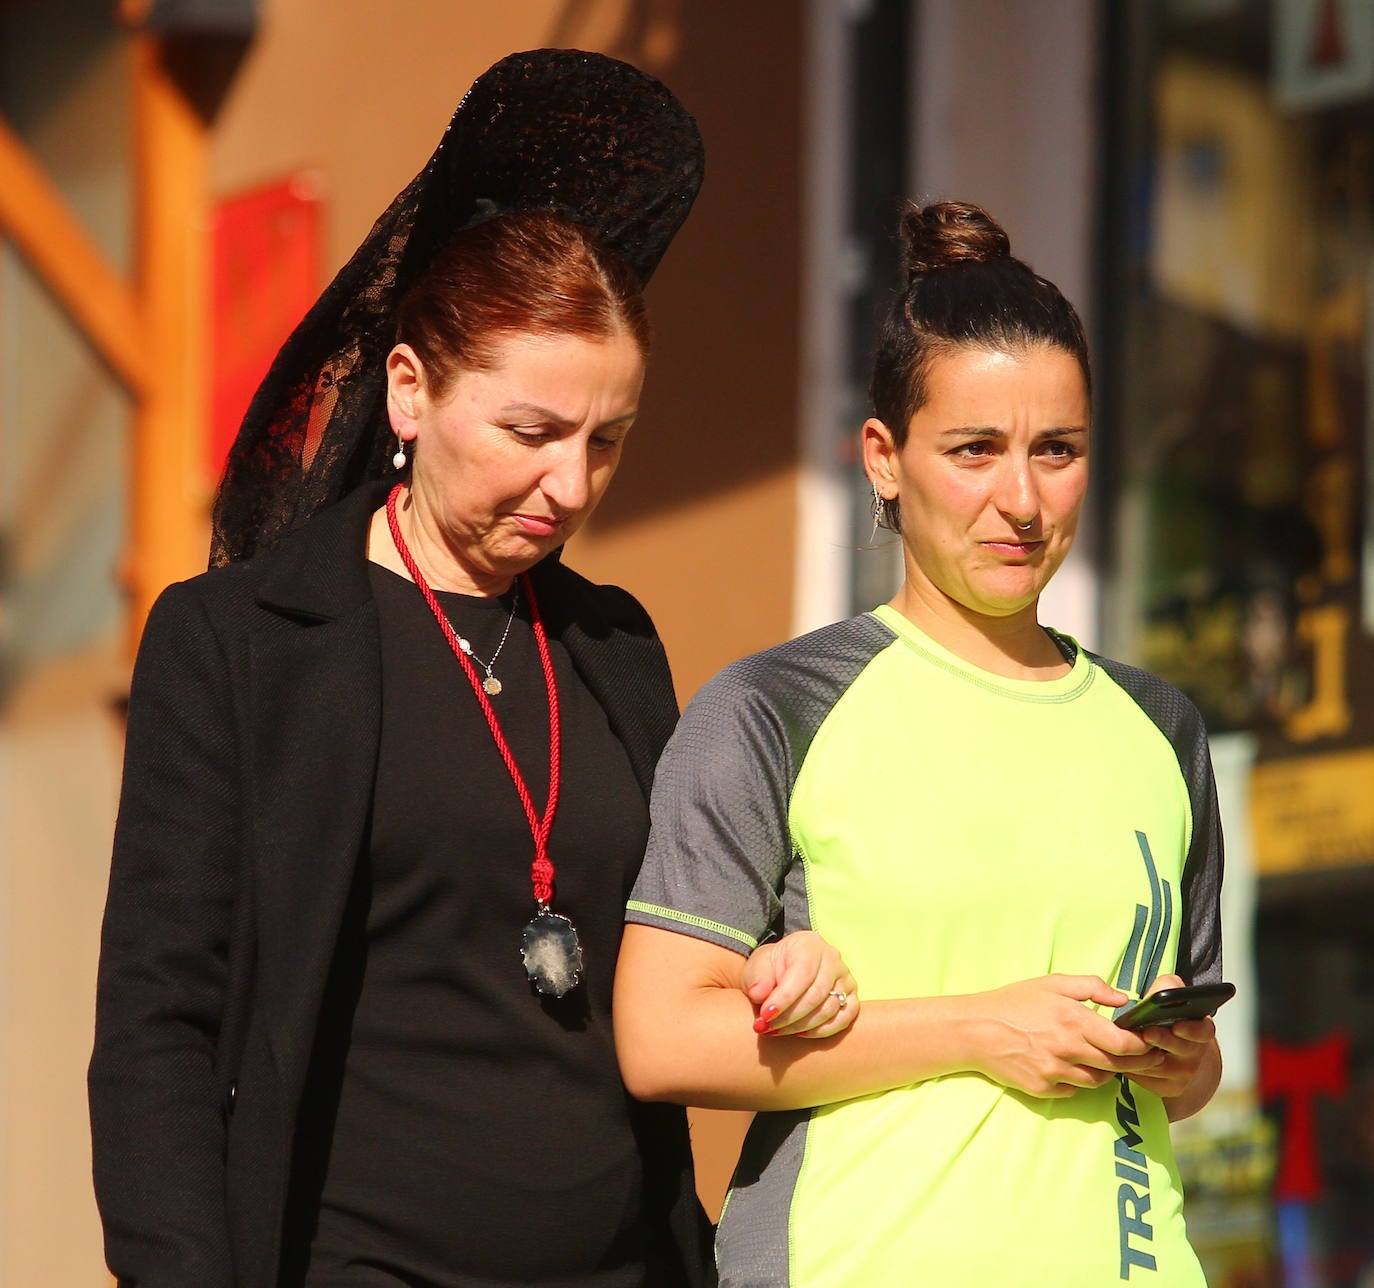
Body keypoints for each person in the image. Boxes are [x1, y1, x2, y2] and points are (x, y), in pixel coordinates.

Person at [88, 50, 853, 1288]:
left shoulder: (611, 642)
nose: (572, 485)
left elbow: (679, 945)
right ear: (408, 391)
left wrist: (779, 959)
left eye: (607, 441)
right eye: (532, 432)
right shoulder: (237, 641)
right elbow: (156, 1028)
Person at [614, 200, 1225, 1286]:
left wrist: (1177, 1051)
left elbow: (1193, 1079)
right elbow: (661, 1038)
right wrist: (981, 1028)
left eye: (1060, 450)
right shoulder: (774, 707)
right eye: (975, 450)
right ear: (884, 459)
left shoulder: (1160, 728)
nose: (1023, 500)